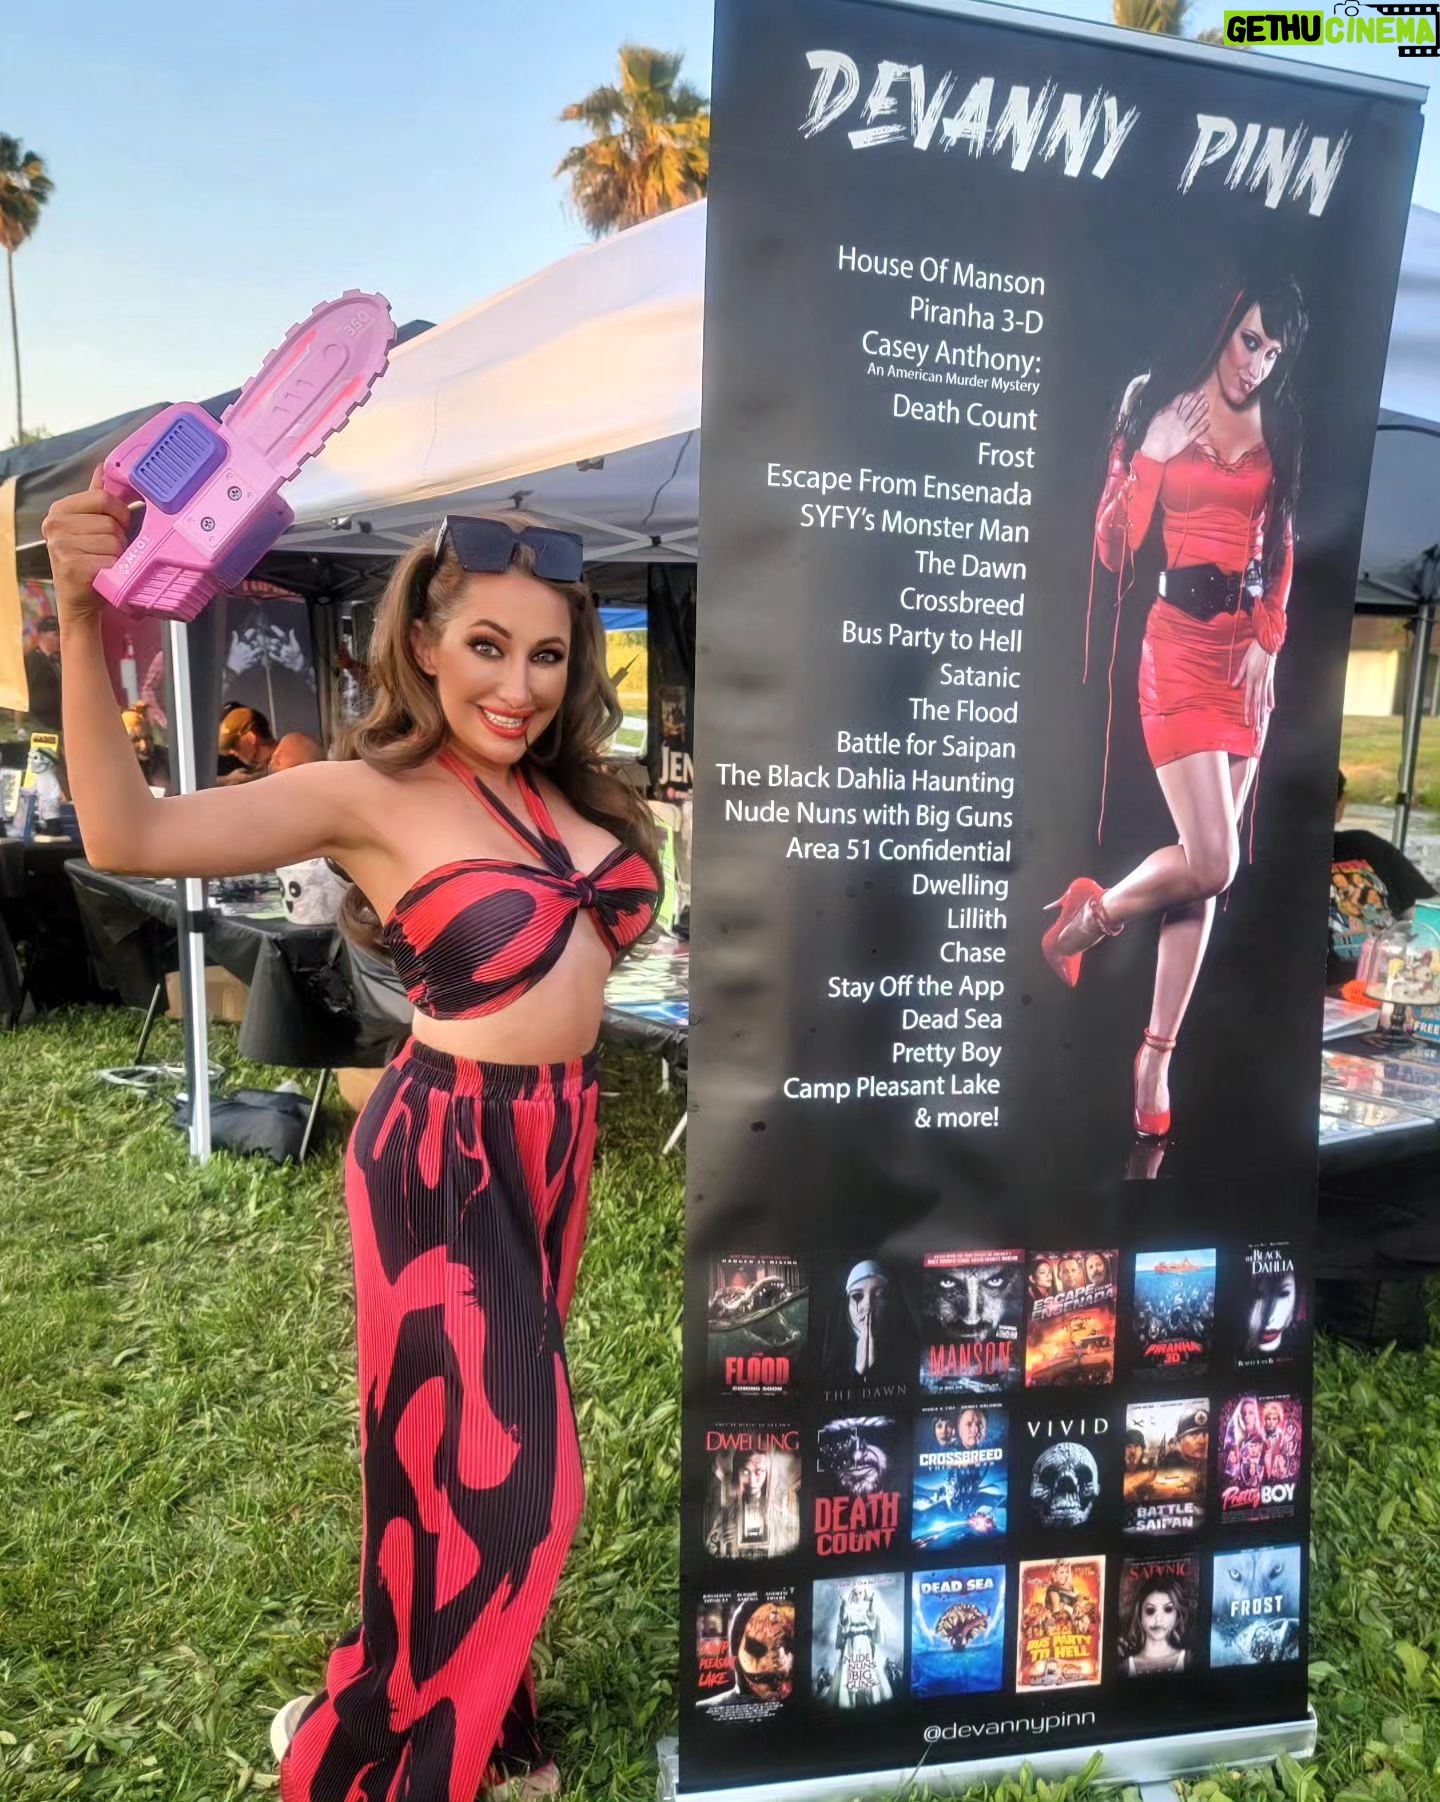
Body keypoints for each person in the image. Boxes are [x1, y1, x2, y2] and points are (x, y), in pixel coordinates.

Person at [42, 483, 662, 1802]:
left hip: (554, 1141)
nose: (518, 685)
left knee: (455, 1471)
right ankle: (385, 1763)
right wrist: (84, 626)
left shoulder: (566, 797)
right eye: (486, 645)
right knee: (523, 1489)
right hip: (445, 1150)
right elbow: (128, 833)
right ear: (421, 644)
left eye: (547, 654)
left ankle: (474, 1714)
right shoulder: (367, 794)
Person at [1042, 272, 1308, 1141]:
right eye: (1250, 340)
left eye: (1273, 352)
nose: (1257, 364)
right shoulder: (1156, 406)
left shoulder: (1282, 427)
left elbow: (1284, 539)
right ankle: (1089, 921)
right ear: (1225, 324)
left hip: (1246, 665)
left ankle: (1155, 1056)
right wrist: (1154, 451)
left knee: (1205, 874)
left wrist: (1271, 637)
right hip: (1179, 653)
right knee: (1214, 863)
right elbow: (1114, 549)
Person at [1330, 769, 1435, 985]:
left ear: (1340, 804)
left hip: (1402, 984)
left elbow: (1429, 913)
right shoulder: (1269, 865)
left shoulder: (1365, 846)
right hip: (1325, 993)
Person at [217, 703, 324, 784]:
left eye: (234, 745)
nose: (233, 752)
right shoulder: (260, 771)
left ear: (250, 738)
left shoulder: (292, 748)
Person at [1117, 1574, 1192, 1676]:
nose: (1158, 1619)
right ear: (1139, 1615)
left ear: (1177, 1616)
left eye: (1168, 1609)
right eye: (1150, 1610)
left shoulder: (1190, 1659)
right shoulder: (1123, 1667)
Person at [24, 614, 63, 733]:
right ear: (42, 636)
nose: (60, 639)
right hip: (41, 725)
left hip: (59, 723)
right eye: (56, 635)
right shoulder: (33, 660)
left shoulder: (58, 660)